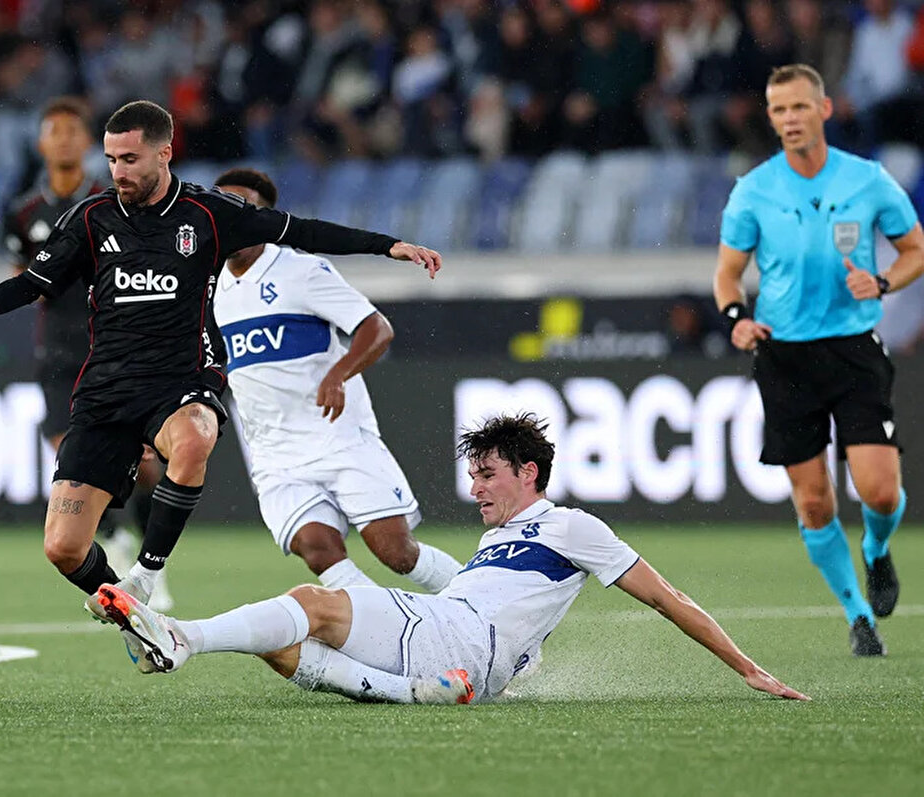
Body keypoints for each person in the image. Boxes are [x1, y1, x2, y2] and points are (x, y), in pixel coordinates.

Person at [0, 100, 441, 660]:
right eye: (112, 158)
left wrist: (389, 246)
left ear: (164, 153)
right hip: (106, 391)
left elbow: (304, 230)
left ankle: (145, 574)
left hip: (180, 380)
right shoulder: (91, 219)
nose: (118, 171)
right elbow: (33, 283)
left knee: (193, 439)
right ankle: (138, 619)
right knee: (63, 549)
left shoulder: (210, 214)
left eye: (131, 159)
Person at [92, 413, 809, 705]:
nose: (476, 488)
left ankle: (184, 640)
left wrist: (746, 666)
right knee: (282, 647)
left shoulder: (573, 526)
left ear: (530, 472)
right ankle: (422, 691)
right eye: (473, 476)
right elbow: (470, 587)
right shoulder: (498, 542)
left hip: (465, 639)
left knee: (307, 604)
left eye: (489, 474)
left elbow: (667, 597)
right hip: (455, 635)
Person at [713, 64, 924, 656]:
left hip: (853, 349)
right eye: (778, 111)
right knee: (812, 500)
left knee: (879, 493)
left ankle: (877, 551)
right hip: (784, 357)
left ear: (824, 110)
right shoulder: (754, 188)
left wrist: (883, 283)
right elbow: (728, 275)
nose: (788, 120)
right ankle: (859, 616)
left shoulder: (869, 181)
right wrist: (737, 319)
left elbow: (916, 249)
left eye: (799, 108)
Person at [212, 167, 463, 592]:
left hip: (337, 436)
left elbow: (376, 328)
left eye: (243, 209)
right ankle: (388, 632)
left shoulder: (300, 271)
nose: (229, 219)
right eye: (221, 209)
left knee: (397, 554)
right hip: (274, 454)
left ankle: (493, 614)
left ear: (266, 219)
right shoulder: (209, 284)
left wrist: (338, 373)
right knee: (318, 549)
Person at [2, 96, 171, 609]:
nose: (64, 139)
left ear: (88, 142)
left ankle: (145, 550)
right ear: (41, 143)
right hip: (57, 354)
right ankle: (118, 541)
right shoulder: (23, 213)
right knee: (74, 459)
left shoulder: (112, 201)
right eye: (54, 130)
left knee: (145, 468)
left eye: (74, 131)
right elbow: (21, 279)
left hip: (114, 352)